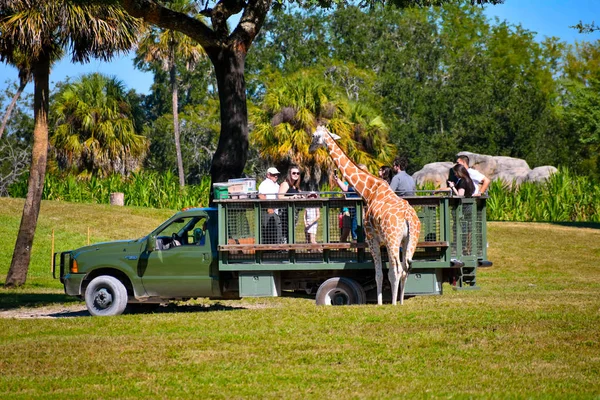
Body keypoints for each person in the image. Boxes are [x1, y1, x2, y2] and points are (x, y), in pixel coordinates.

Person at [258, 167, 282, 244]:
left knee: (277, 228)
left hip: (276, 210)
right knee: (268, 230)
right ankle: (268, 249)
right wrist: (269, 208)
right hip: (267, 211)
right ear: (268, 175)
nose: (276, 176)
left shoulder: (276, 185)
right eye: (273, 174)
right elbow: (261, 196)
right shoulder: (264, 184)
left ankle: (277, 248)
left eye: (277, 174)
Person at [278, 166, 302, 243]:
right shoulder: (285, 184)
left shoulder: (295, 186)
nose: (296, 175)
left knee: (291, 232)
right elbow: (280, 196)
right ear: (289, 174)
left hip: (294, 214)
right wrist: (292, 197)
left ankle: (290, 249)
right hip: (285, 213)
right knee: (285, 233)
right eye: (294, 173)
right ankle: (284, 251)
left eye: (298, 173)